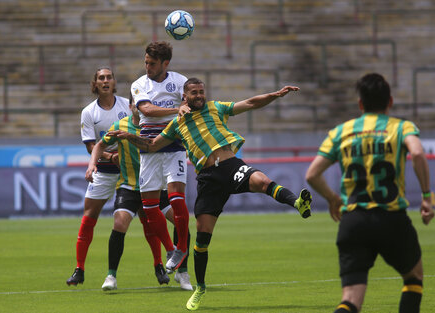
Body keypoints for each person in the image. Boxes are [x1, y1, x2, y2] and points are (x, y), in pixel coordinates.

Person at [108, 77, 313, 311]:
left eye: (201, 91)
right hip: (208, 179)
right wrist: (130, 137)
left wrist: (275, 95)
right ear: (184, 97)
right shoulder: (177, 124)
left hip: (231, 166)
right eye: (194, 92)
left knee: (262, 181)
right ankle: (200, 288)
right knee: (203, 238)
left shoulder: (216, 108)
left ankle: (297, 203)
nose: (199, 95)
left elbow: (250, 103)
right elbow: (152, 145)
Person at [305, 73, 435, 313]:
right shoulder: (401, 127)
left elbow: (312, 174)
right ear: (390, 102)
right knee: (413, 277)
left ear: (360, 104)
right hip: (392, 218)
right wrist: (426, 196)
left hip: (353, 221)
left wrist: (333, 199)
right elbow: (417, 154)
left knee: (351, 299)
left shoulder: (340, 132)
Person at [85, 97, 191, 290]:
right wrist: (93, 164)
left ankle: (182, 271)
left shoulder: (157, 127)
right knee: (119, 223)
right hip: (130, 186)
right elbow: (99, 145)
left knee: (180, 220)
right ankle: (111, 276)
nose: (141, 109)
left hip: (156, 187)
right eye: (138, 105)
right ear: (131, 106)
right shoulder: (120, 125)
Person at [66, 67, 131, 286]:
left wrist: (120, 157)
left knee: (147, 217)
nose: (105, 81)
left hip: (128, 171)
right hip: (103, 171)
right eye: (101, 78)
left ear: (114, 82)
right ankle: (79, 269)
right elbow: (91, 146)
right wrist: (110, 156)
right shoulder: (88, 112)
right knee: (88, 217)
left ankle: (159, 265)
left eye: (109, 77)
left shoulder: (127, 106)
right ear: (95, 83)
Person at [130, 41, 190, 276]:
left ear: (166, 63)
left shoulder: (180, 81)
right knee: (149, 207)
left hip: (174, 146)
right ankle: (171, 249)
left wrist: (184, 108)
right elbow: (146, 110)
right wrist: (177, 110)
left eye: (152, 63)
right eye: (145, 62)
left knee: (176, 199)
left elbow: (190, 105)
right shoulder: (139, 84)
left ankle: (182, 247)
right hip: (149, 149)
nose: (147, 67)